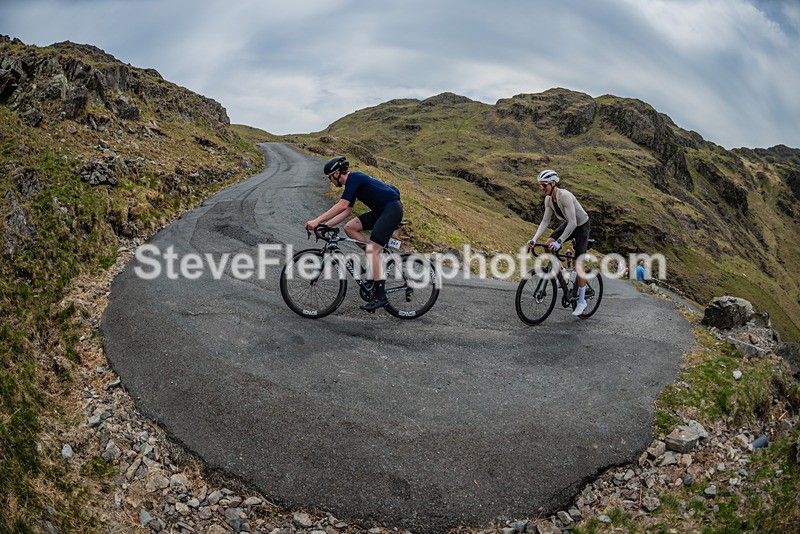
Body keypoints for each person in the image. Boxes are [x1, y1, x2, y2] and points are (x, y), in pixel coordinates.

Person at [305, 156, 403, 311]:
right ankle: (374, 258)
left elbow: (341, 205)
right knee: (350, 227)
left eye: (330, 177)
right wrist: (325, 226)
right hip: (380, 212)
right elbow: (346, 211)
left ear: (336, 173)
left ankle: (380, 296)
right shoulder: (351, 184)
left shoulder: (354, 178)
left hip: (391, 210)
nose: (330, 181)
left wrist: (317, 221)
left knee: (372, 250)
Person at [527, 169, 591, 316]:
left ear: (553, 183)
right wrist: (534, 239)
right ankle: (562, 274)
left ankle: (581, 301)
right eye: (540, 186)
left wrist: (560, 241)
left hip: (581, 225)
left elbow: (574, 222)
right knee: (548, 244)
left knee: (578, 262)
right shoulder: (548, 200)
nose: (542, 188)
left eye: (544, 185)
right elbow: (545, 221)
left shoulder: (565, 196)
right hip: (569, 223)